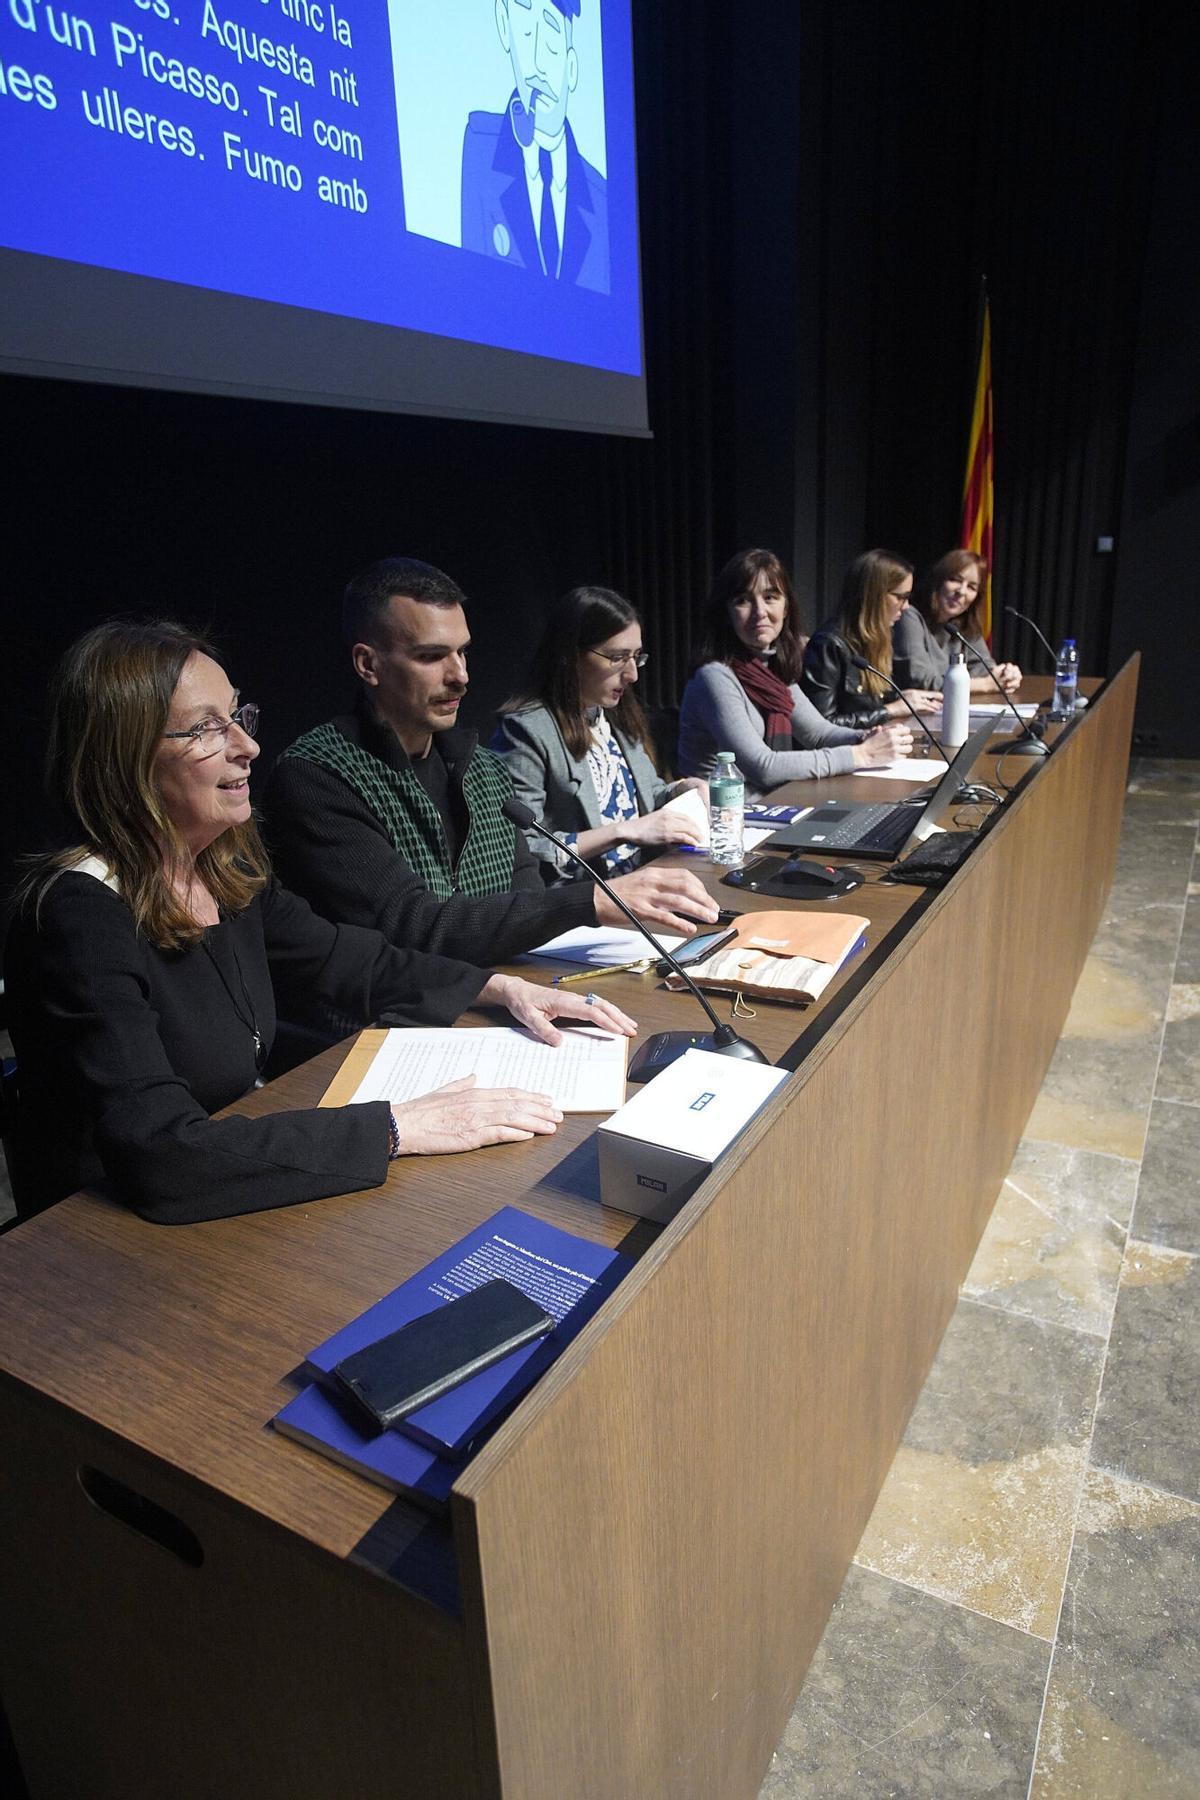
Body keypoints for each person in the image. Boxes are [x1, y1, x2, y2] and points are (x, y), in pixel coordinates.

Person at [4, 620, 636, 1224]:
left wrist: (499, 990)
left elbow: (345, 957)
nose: (248, 746)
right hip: (96, 1245)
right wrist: (398, 1127)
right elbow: (161, 1155)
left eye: (238, 718)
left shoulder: (223, 870)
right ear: (123, 757)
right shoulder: (81, 915)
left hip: (231, 1183)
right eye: (206, 729)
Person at [264, 559, 718, 965]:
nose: (460, 676)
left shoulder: (482, 768)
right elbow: (410, 927)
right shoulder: (317, 775)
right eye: (431, 656)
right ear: (368, 664)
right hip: (387, 1025)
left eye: (462, 652)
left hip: (497, 990)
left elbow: (524, 899)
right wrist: (589, 900)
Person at [494, 586, 708, 883]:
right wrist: (622, 832)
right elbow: (523, 850)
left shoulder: (615, 714)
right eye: (617, 657)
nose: (632, 674)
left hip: (645, 880)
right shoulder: (527, 730)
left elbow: (649, 795)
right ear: (571, 655)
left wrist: (680, 791)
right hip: (586, 900)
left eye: (636, 657)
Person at [676, 548, 915, 794]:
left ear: (786, 607)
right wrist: (861, 754)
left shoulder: (772, 668)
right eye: (743, 601)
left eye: (770, 597)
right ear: (726, 613)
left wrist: (865, 737)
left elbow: (819, 734)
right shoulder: (714, 676)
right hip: (723, 816)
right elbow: (763, 766)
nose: (760, 612)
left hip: (770, 804)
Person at [460, 0, 610, 292]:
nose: (538, 65)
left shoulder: (599, 196)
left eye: (553, 42)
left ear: (572, 68)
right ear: (505, 29)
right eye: (527, 34)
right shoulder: (481, 147)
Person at [800, 549, 944, 728]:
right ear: (874, 596)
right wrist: (891, 710)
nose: (906, 607)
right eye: (901, 597)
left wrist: (902, 698)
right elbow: (821, 727)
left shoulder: (876, 637)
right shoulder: (829, 644)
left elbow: (868, 702)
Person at [892, 549, 1022, 695]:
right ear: (938, 581)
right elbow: (920, 679)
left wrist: (1006, 675)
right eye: (955, 580)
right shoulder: (908, 616)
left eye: (971, 587)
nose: (962, 591)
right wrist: (985, 685)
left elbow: (983, 667)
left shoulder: (962, 624)